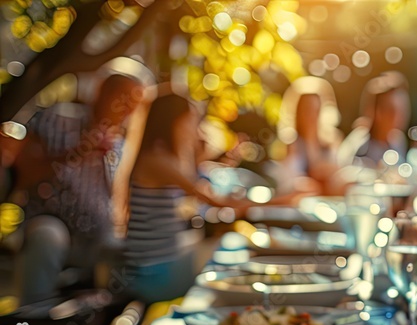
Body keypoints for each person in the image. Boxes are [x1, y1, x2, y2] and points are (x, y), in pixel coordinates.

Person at [13, 72, 145, 304]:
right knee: (48, 235)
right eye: (122, 98)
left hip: (97, 236)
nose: (127, 109)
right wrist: (77, 152)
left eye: (134, 104)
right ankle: (33, 319)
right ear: (101, 92)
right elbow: (25, 175)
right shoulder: (57, 119)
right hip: (52, 224)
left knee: (132, 253)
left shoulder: (120, 145)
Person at [124, 92, 249, 302]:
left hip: (159, 265)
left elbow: (194, 182)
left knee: (220, 247)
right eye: (191, 122)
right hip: (153, 274)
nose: (195, 129)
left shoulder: (159, 156)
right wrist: (281, 202)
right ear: (175, 122)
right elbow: (213, 200)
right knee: (232, 246)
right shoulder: (157, 160)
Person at [270, 77, 342, 195]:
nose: (311, 115)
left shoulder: (330, 142)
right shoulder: (291, 143)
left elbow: (337, 172)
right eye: (306, 110)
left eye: (315, 109)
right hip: (299, 196)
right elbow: (289, 180)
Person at [339, 71, 410, 169]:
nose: (400, 116)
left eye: (402, 110)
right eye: (392, 111)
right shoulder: (360, 144)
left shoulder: (398, 141)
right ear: (377, 112)